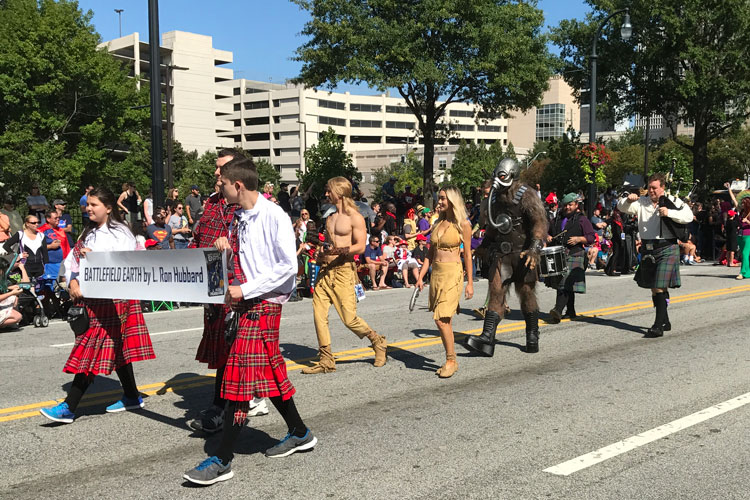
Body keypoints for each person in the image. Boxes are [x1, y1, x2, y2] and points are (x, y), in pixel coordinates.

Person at [184, 156, 316, 485]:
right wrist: (225, 249)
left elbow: (288, 267)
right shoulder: (237, 217)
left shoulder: (273, 215)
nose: (220, 188)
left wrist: (246, 289)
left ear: (238, 185)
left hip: (265, 303)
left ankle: (222, 459)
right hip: (246, 303)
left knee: (238, 381)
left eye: (223, 184)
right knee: (268, 371)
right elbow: (245, 260)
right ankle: (299, 432)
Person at [39, 187, 155, 423]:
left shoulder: (121, 232)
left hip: (114, 299)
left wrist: (96, 257)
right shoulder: (88, 231)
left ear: (109, 208)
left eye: (94, 205)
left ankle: (69, 407)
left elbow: (125, 264)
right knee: (117, 349)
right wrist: (72, 281)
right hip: (92, 298)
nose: (88, 208)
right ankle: (132, 396)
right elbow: (72, 260)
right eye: (88, 204)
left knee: (90, 349)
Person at [188, 150, 270, 434]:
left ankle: (221, 408)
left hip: (238, 286)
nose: (215, 173)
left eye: (221, 168)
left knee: (232, 347)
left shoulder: (252, 206)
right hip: (212, 283)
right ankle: (255, 393)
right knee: (224, 346)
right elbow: (198, 239)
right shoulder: (211, 203)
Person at [301, 177, 387, 375]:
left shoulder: (354, 217)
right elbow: (329, 246)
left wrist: (336, 251)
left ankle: (377, 341)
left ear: (338, 193)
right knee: (318, 315)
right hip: (326, 272)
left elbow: (359, 246)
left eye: (328, 191)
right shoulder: (330, 217)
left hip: (344, 272)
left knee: (349, 319)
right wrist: (320, 253)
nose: (325, 194)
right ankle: (326, 360)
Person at [467, 158, 547, 356]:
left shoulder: (526, 194)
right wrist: (483, 247)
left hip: (523, 253)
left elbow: (539, 222)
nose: (498, 180)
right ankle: (487, 338)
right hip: (501, 253)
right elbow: (492, 228)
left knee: (526, 293)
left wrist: (535, 248)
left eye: (502, 176)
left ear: (511, 175)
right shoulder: (493, 199)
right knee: (496, 292)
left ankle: (532, 335)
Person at [618, 173, 693, 337]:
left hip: (667, 246)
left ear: (663, 187)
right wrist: (627, 199)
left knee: (658, 286)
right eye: (649, 187)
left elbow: (688, 216)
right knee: (655, 288)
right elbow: (622, 208)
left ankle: (657, 325)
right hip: (648, 248)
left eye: (654, 187)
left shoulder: (672, 200)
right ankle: (665, 319)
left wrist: (669, 213)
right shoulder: (641, 202)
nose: (651, 190)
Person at [416, 186, 474, 378]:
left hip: (453, 273)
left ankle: (451, 360)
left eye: (442, 198)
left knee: (441, 319)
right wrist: (420, 277)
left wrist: (470, 282)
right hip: (437, 274)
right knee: (443, 319)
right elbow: (430, 254)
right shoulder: (437, 222)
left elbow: (467, 255)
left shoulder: (462, 224)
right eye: (438, 198)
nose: (439, 202)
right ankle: (450, 359)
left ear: (452, 200)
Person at [546, 193, 596, 323]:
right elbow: (547, 231)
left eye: (570, 204)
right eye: (566, 205)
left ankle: (557, 310)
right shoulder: (557, 219)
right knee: (566, 284)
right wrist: (547, 236)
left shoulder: (582, 220)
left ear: (576, 205)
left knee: (564, 283)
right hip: (559, 256)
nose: (568, 207)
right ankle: (571, 311)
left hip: (575, 254)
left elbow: (591, 237)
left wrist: (579, 238)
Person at [3, 215, 48, 279]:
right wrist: (18, 256)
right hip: (25, 267)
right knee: (26, 287)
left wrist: (47, 268)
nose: (36, 224)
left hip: (39, 267)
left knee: (39, 288)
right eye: (33, 223)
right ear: (27, 224)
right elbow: (6, 246)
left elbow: (45, 253)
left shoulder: (41, 235)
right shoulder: (20, 234)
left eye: (38, 222)